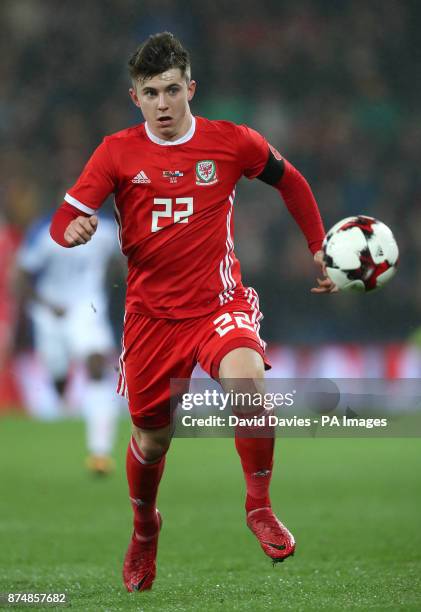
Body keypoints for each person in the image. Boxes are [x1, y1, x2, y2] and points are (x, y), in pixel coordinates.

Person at [50, 32, 336, 591]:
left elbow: (292, 181)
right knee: (152, 440)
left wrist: (316, 245)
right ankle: (144, 530)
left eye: (172, 90)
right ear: (135, 97)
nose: (162, 104)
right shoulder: (115, 152)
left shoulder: (232, 143)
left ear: (191, 89)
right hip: (151, 320)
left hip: (216, 303)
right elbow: (65, 219)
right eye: (150, 93)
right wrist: (74, 231)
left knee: (246, 380)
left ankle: (259, 506)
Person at [17, 213, 122, 474]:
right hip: (50, 314)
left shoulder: (106, 228)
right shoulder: (43, 231)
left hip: (87, 308)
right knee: (58, 377)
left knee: (96, 363)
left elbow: (128, 254)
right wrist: (45, 305)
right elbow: (20, 276)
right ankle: (64, 410)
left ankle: (100, 452)